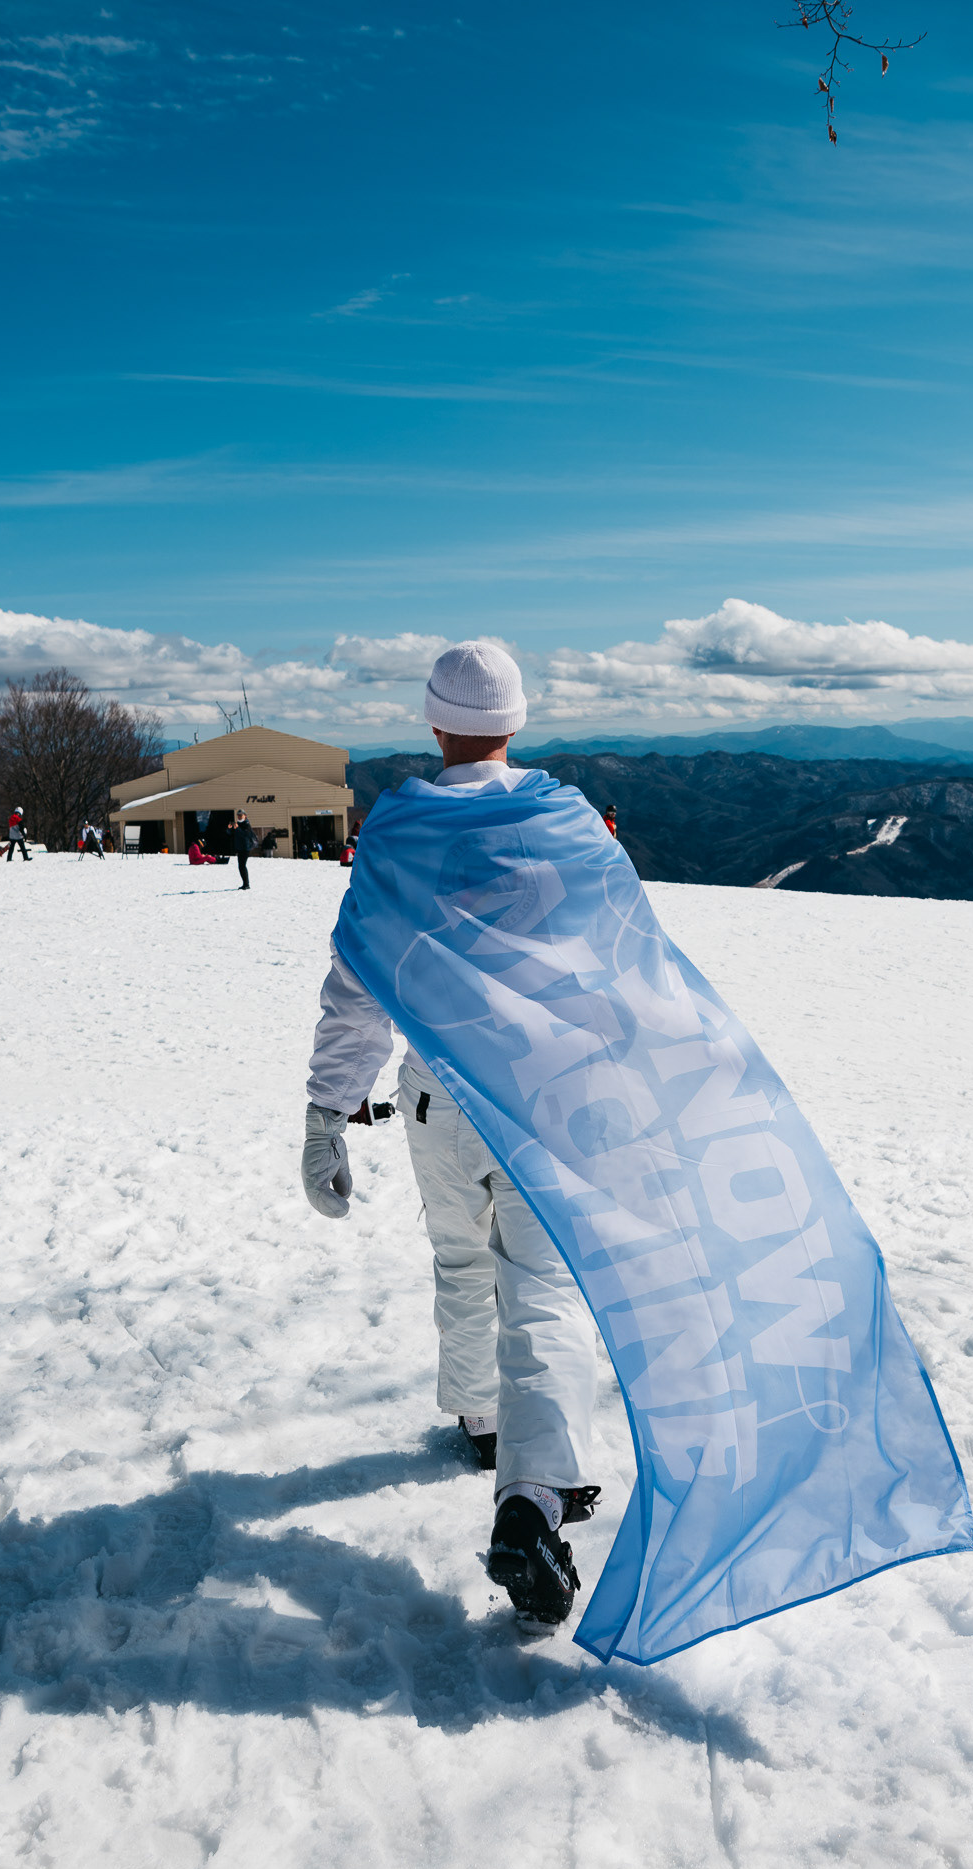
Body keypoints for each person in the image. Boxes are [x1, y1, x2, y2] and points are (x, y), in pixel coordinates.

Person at [303, 642, 599, 1629]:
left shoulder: (401, 833)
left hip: (436, 1097)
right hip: (543, 1101)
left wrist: (324, 1115)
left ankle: (479, 1418)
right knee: (543, 1292)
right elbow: (613, 974)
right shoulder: (563, 824)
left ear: (435, 725)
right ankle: (536, 1494)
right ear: (518, 721)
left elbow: (358, 986)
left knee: (462, 1261)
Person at [230, 809, 257, 889]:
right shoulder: (238, 824)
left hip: (245, 848)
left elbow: (245, 835)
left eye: (241, 815)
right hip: (239, 848)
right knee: (241, 866)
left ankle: (246, 884)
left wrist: (237, 828)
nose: (239, 817)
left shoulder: (247, 824)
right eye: (238, 815)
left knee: (242, 866)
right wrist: (230, 828)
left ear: (245, 816)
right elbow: (230, 834)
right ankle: (245, 884)